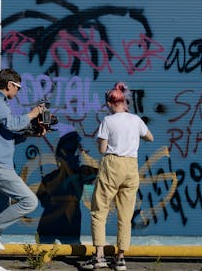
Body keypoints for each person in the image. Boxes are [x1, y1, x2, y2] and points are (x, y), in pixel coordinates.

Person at [0, 68, 46, 271]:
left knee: (1, 209)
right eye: (18, 87)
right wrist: (33, 114)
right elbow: (11, 124)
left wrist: (33, 132)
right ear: (10, 84)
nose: (18, 92)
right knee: (29, 201)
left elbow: (8, 132)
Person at [82, 82, 153, 271]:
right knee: (125, 214)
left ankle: (99, 257)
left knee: (99, 211)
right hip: (131, 165)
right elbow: (150, 137)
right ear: (124, 101)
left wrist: (103, 143)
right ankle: (120, 259)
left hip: (112, 164)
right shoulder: (136, 120)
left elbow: (103, 148)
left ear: (111, 103)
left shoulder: (108, 121)